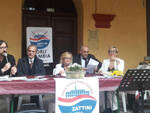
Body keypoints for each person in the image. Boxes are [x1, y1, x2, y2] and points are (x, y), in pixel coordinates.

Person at [99, 46, 124, 113]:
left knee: (110, 91)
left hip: (116, 82)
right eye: (110, 51)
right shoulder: (105, 61)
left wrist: (116, 65)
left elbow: (119, 73)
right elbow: (102, 71)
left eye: (114, 51)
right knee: (101, 90)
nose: (112, 53)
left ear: (117, 53)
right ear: (108, 53)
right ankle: (105, 108)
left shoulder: (120, 61)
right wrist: (105, 72)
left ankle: (114, 109)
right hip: (105, 81)